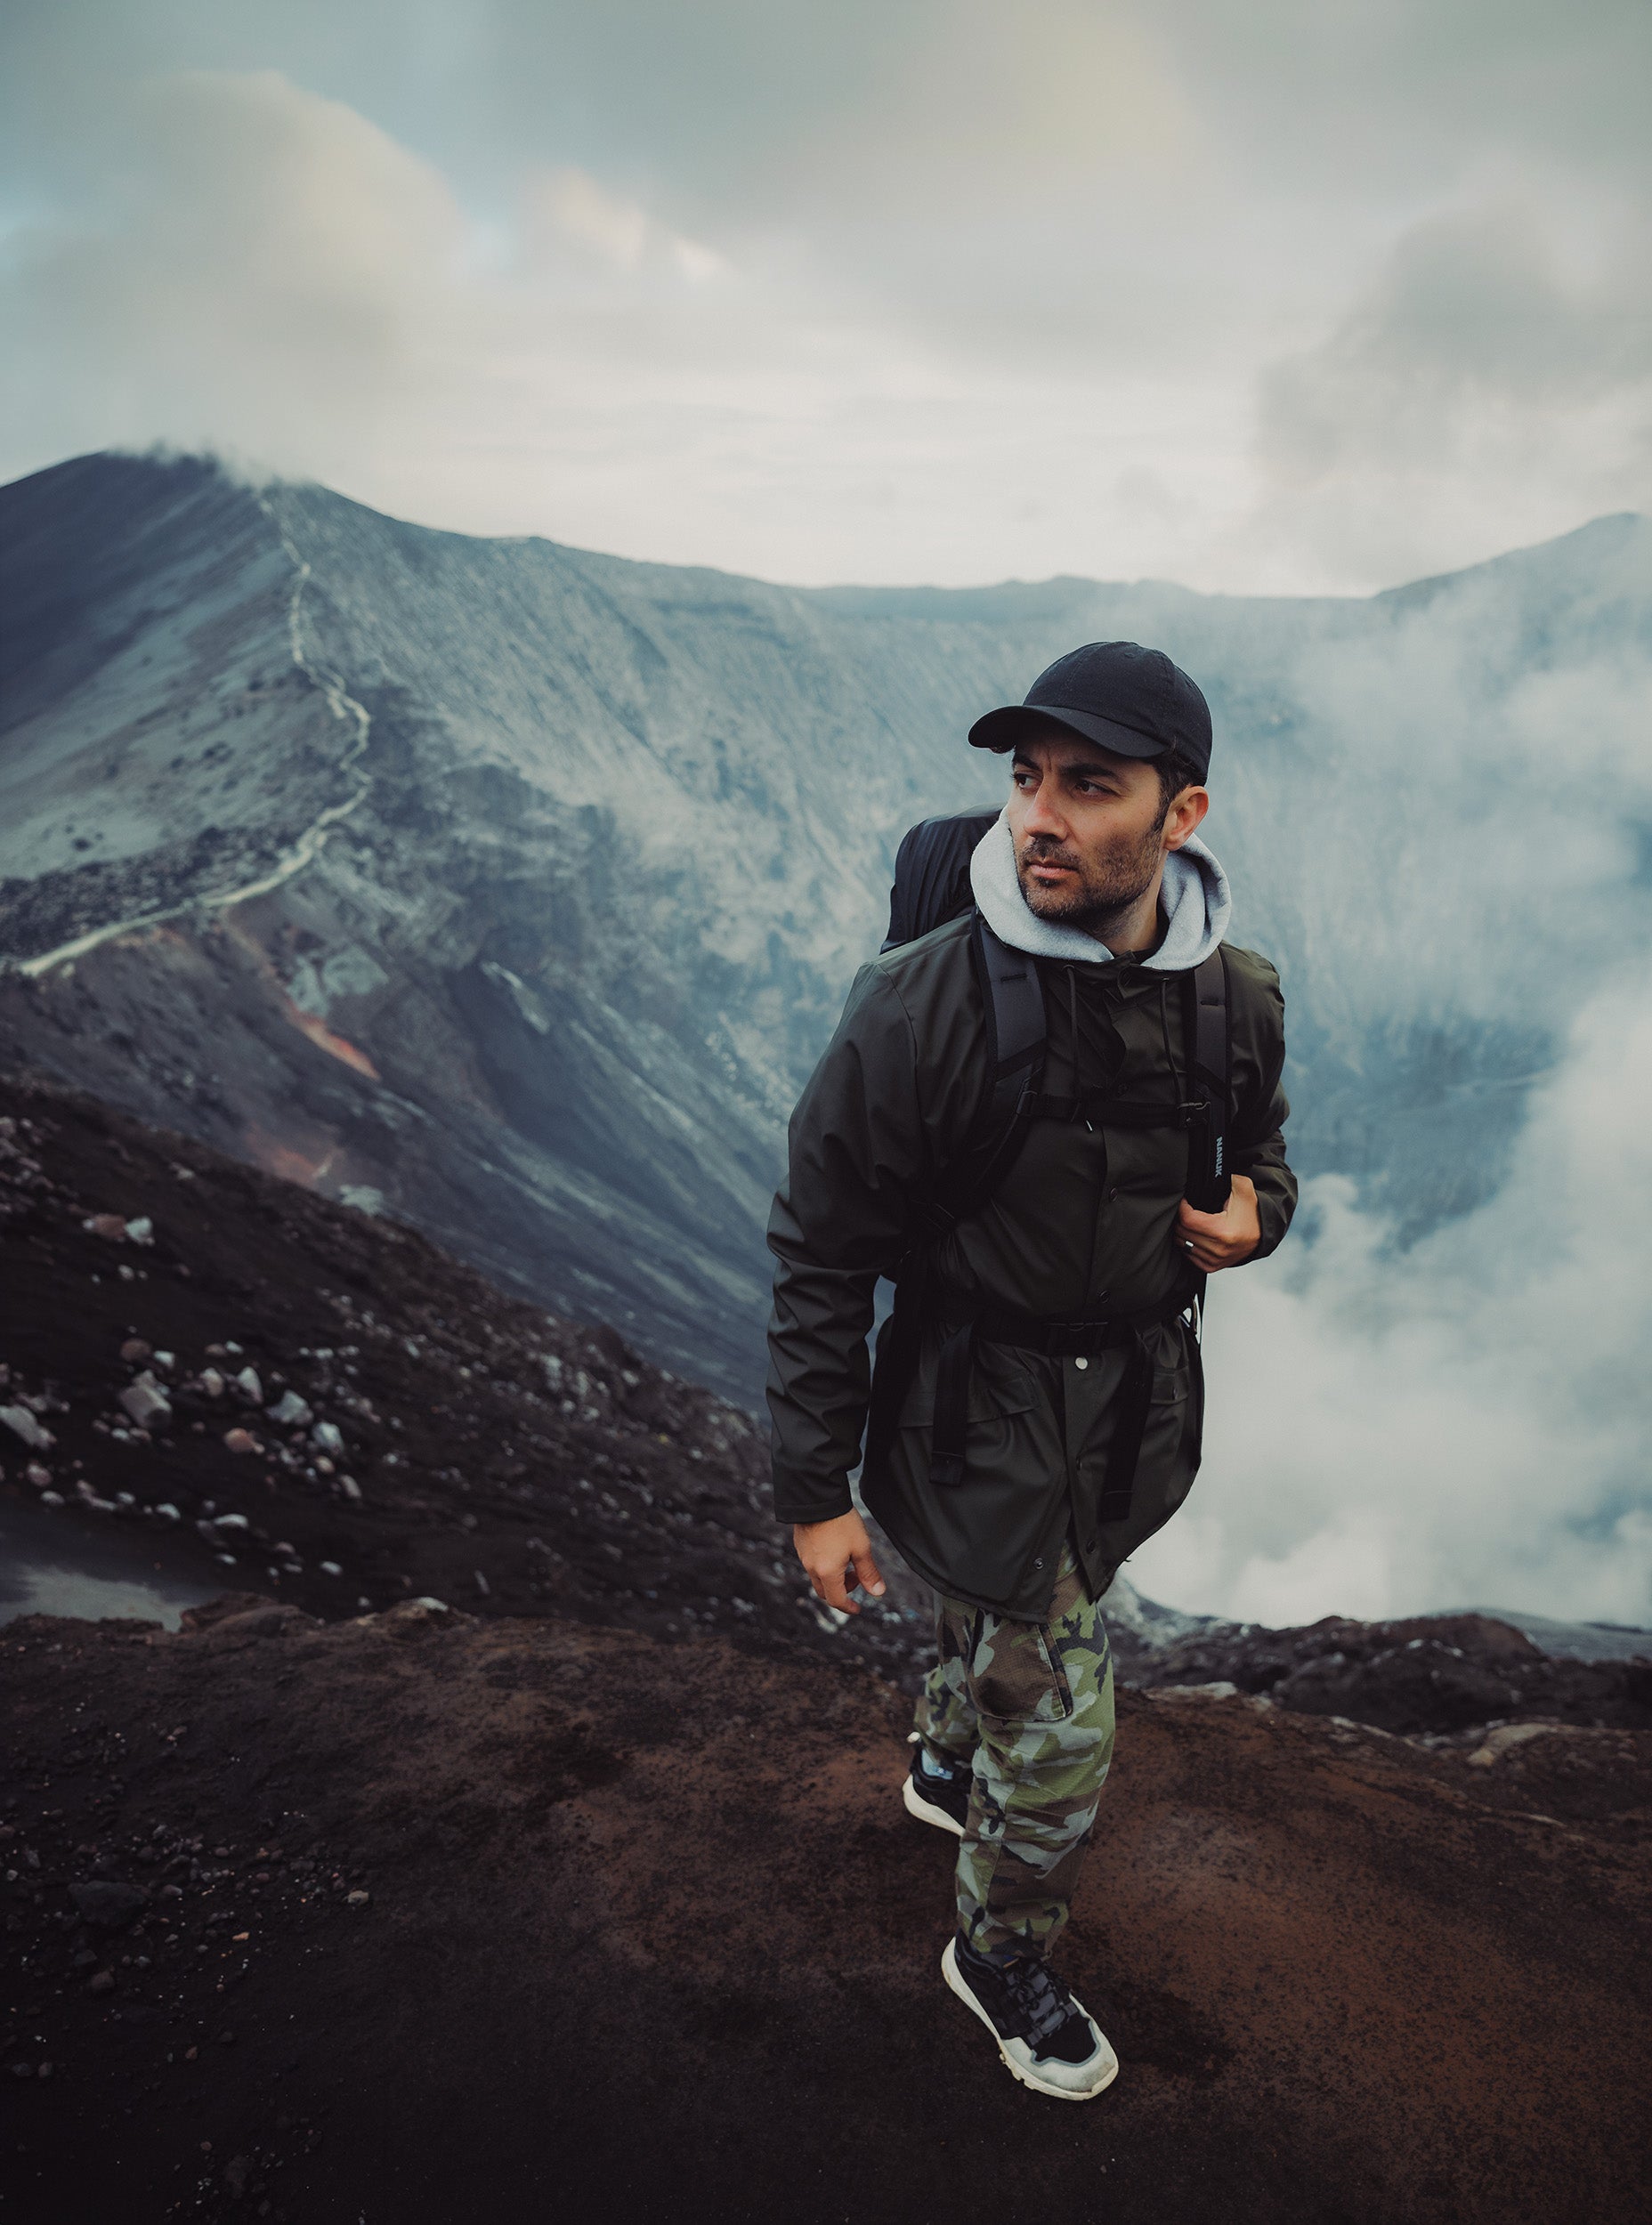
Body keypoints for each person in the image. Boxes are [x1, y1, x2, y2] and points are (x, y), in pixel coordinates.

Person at [765, 641, 1296, 2100]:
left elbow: (1262, 1149)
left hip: (1127, 1418)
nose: (1038, 818)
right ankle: (998, 1952)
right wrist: (814, 1490)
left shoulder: (1232, 997)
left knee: (1009, 1614)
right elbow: (821, 1246)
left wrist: (1261, 1213)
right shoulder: (924, 1003)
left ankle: (945, 1762)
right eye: (1023, 779)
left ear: (1180, 816)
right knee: (1059, 1720)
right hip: (970, 1412)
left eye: (1089, 786)